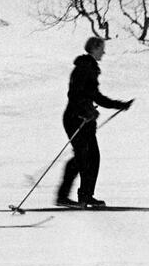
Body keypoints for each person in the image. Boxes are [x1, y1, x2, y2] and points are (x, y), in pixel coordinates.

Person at [56, 36, 133, 208]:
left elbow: (95, 96)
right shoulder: (83, 68)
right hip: (76, 118)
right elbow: (74, 94)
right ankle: (64, 196)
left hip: (85, 119)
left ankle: (86, 196)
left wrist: (118, 105)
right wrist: (86, 111)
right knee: (83, 157)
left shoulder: (89, 68)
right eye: (102, 48)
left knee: (92, 157)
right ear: (94, 48)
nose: (104, 52)